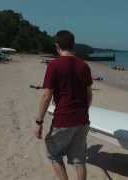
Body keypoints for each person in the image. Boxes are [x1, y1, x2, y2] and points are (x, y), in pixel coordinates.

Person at [34, 30, 93, 180]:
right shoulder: (84, 66)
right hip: (82, 119)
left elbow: (46, 95)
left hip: (64, 119)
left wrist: (39, 122)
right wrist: (83, 110)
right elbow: (89, 95)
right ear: (73, 45)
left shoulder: (54, 65)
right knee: (79, 159)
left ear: (57, 46)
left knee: (54, 154)